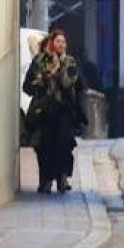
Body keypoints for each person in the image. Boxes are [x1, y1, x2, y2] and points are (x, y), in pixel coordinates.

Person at [22, 29, 85, 194]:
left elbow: (67, 83)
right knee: (44, 147)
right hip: (44, 110)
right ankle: (46, 179)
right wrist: (44, 79)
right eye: (58, 41)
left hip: (64, 111)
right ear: (51, 43)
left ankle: (62, 178)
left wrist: (60, 66)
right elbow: (28, 85)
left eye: (63, 42)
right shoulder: (40, 61)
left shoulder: (70, 62)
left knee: (63, 145)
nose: (61, 45)